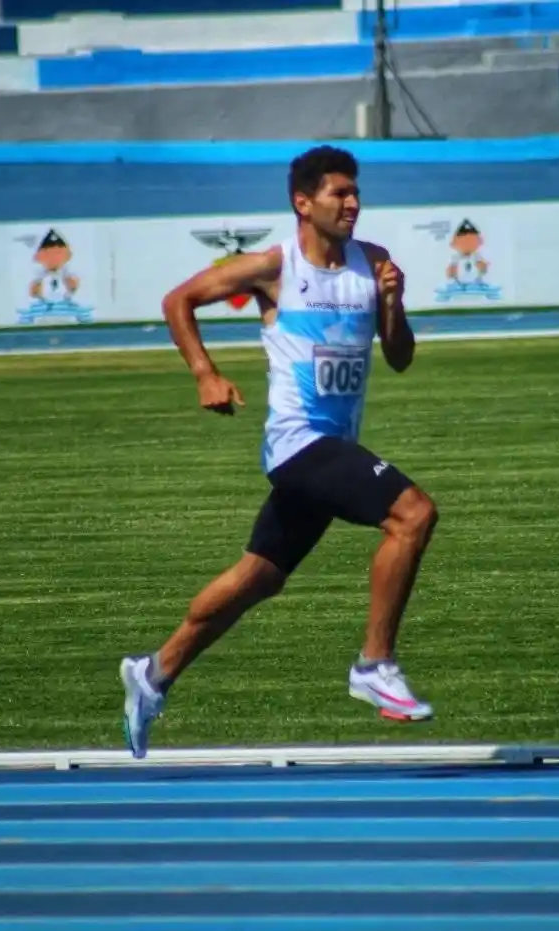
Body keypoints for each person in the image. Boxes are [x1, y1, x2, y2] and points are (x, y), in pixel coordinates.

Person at [119, 144, 439, 759]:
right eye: (339, 193)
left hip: (330, 451)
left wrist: (393, 304)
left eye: (356, 192)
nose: (353, 203)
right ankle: (375, 665)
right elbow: (177, 300)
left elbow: (399, 358)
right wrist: (204, 374)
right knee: (414, 514)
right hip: (298, 443)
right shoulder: (275, 266)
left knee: (255, 580)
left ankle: (153, 673)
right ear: (303, 202)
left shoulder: (372, 264)